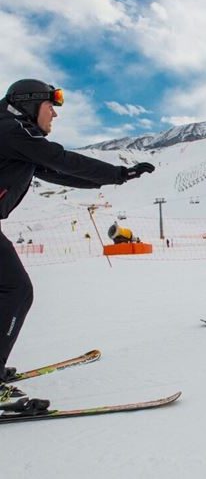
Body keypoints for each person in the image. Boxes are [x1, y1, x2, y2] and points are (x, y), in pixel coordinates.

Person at [0, 79, 155, 397]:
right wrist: (116, 173)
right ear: (29, 104)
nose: (54, 116)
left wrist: (119, 177)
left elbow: (57, 173)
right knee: (17, 290)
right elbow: (61, 159)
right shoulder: (12, 129)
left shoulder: (14, 137)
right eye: (50, 107)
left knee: (13, 290)